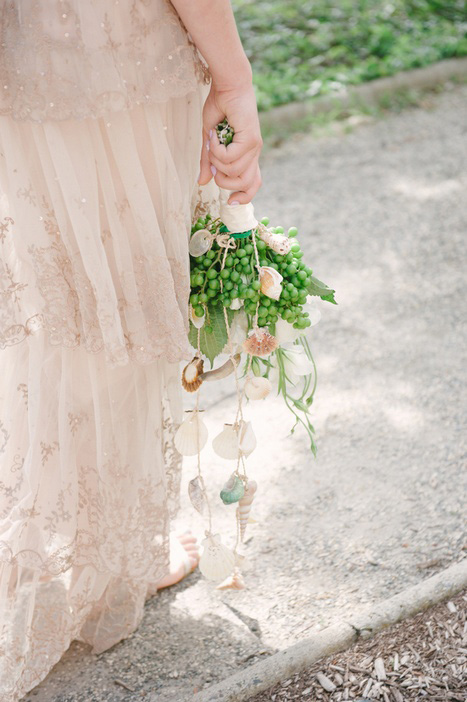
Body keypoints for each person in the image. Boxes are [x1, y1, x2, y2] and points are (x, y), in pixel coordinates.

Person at [0, 1, 262, 699]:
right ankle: (106, 561)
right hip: (121, 61)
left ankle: (53, 539)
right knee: (115, 309)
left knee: (50, 301)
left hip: (22, 68)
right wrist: (233, 80)